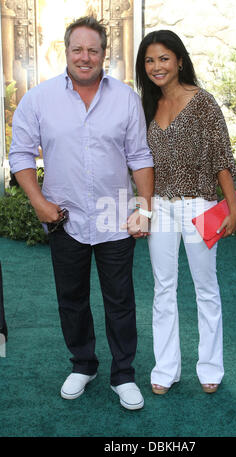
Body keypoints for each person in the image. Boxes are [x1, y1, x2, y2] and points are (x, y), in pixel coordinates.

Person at [9, 16, 154, 410]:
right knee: (71, 298)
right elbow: (20, 154)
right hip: (64, 219)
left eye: (93, 50)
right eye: (78, 49)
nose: (85, 57)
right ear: (66, 52)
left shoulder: (125, 98)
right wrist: (39, 202)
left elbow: (140, 156)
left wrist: (145, 209)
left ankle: (123, 374)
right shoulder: (39, 99)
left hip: (116, 216)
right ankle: (83, 364)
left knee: (120, 300)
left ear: (104, 54)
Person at [134, 30, 236, 395]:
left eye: (164, 58)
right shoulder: (146, 105)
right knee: (163, 289)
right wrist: (141, 207)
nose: (156, 66)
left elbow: (222, 158)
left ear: (179, 60)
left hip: (201, 205)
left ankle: (210, 367)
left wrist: (231, 208)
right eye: (149, 60)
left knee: (205, 288)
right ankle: (166, 369)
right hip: (160, 206)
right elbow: (139, 161)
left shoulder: (204, 102)